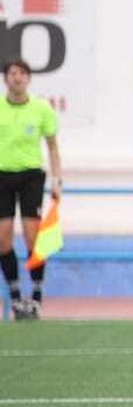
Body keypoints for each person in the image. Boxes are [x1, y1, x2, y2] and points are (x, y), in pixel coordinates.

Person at [0, 60, 61, 321]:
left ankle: (35, 297)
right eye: (13, 73)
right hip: (2, 176)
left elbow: (52, 146)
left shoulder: (41, 108)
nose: (17, 78)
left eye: (22, 74)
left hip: (31, 177)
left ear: (29, 79)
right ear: (5, 79)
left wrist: (57, 178)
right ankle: (15, 298)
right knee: (3, 239)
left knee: (32, 238)